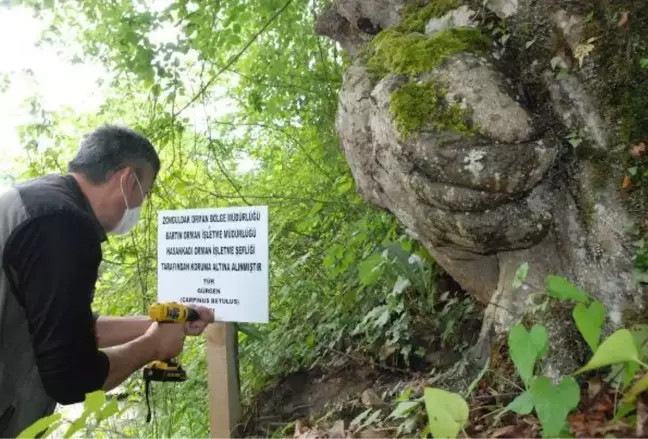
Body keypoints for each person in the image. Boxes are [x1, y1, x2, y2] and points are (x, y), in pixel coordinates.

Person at [0, 124, 215, 438]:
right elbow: (72, 377)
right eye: (145, 193)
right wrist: (153, 345)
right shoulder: (62, 226)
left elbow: (64, 328)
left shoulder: (33, 203)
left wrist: (164, 323)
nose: (141, 206)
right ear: (127, 179)